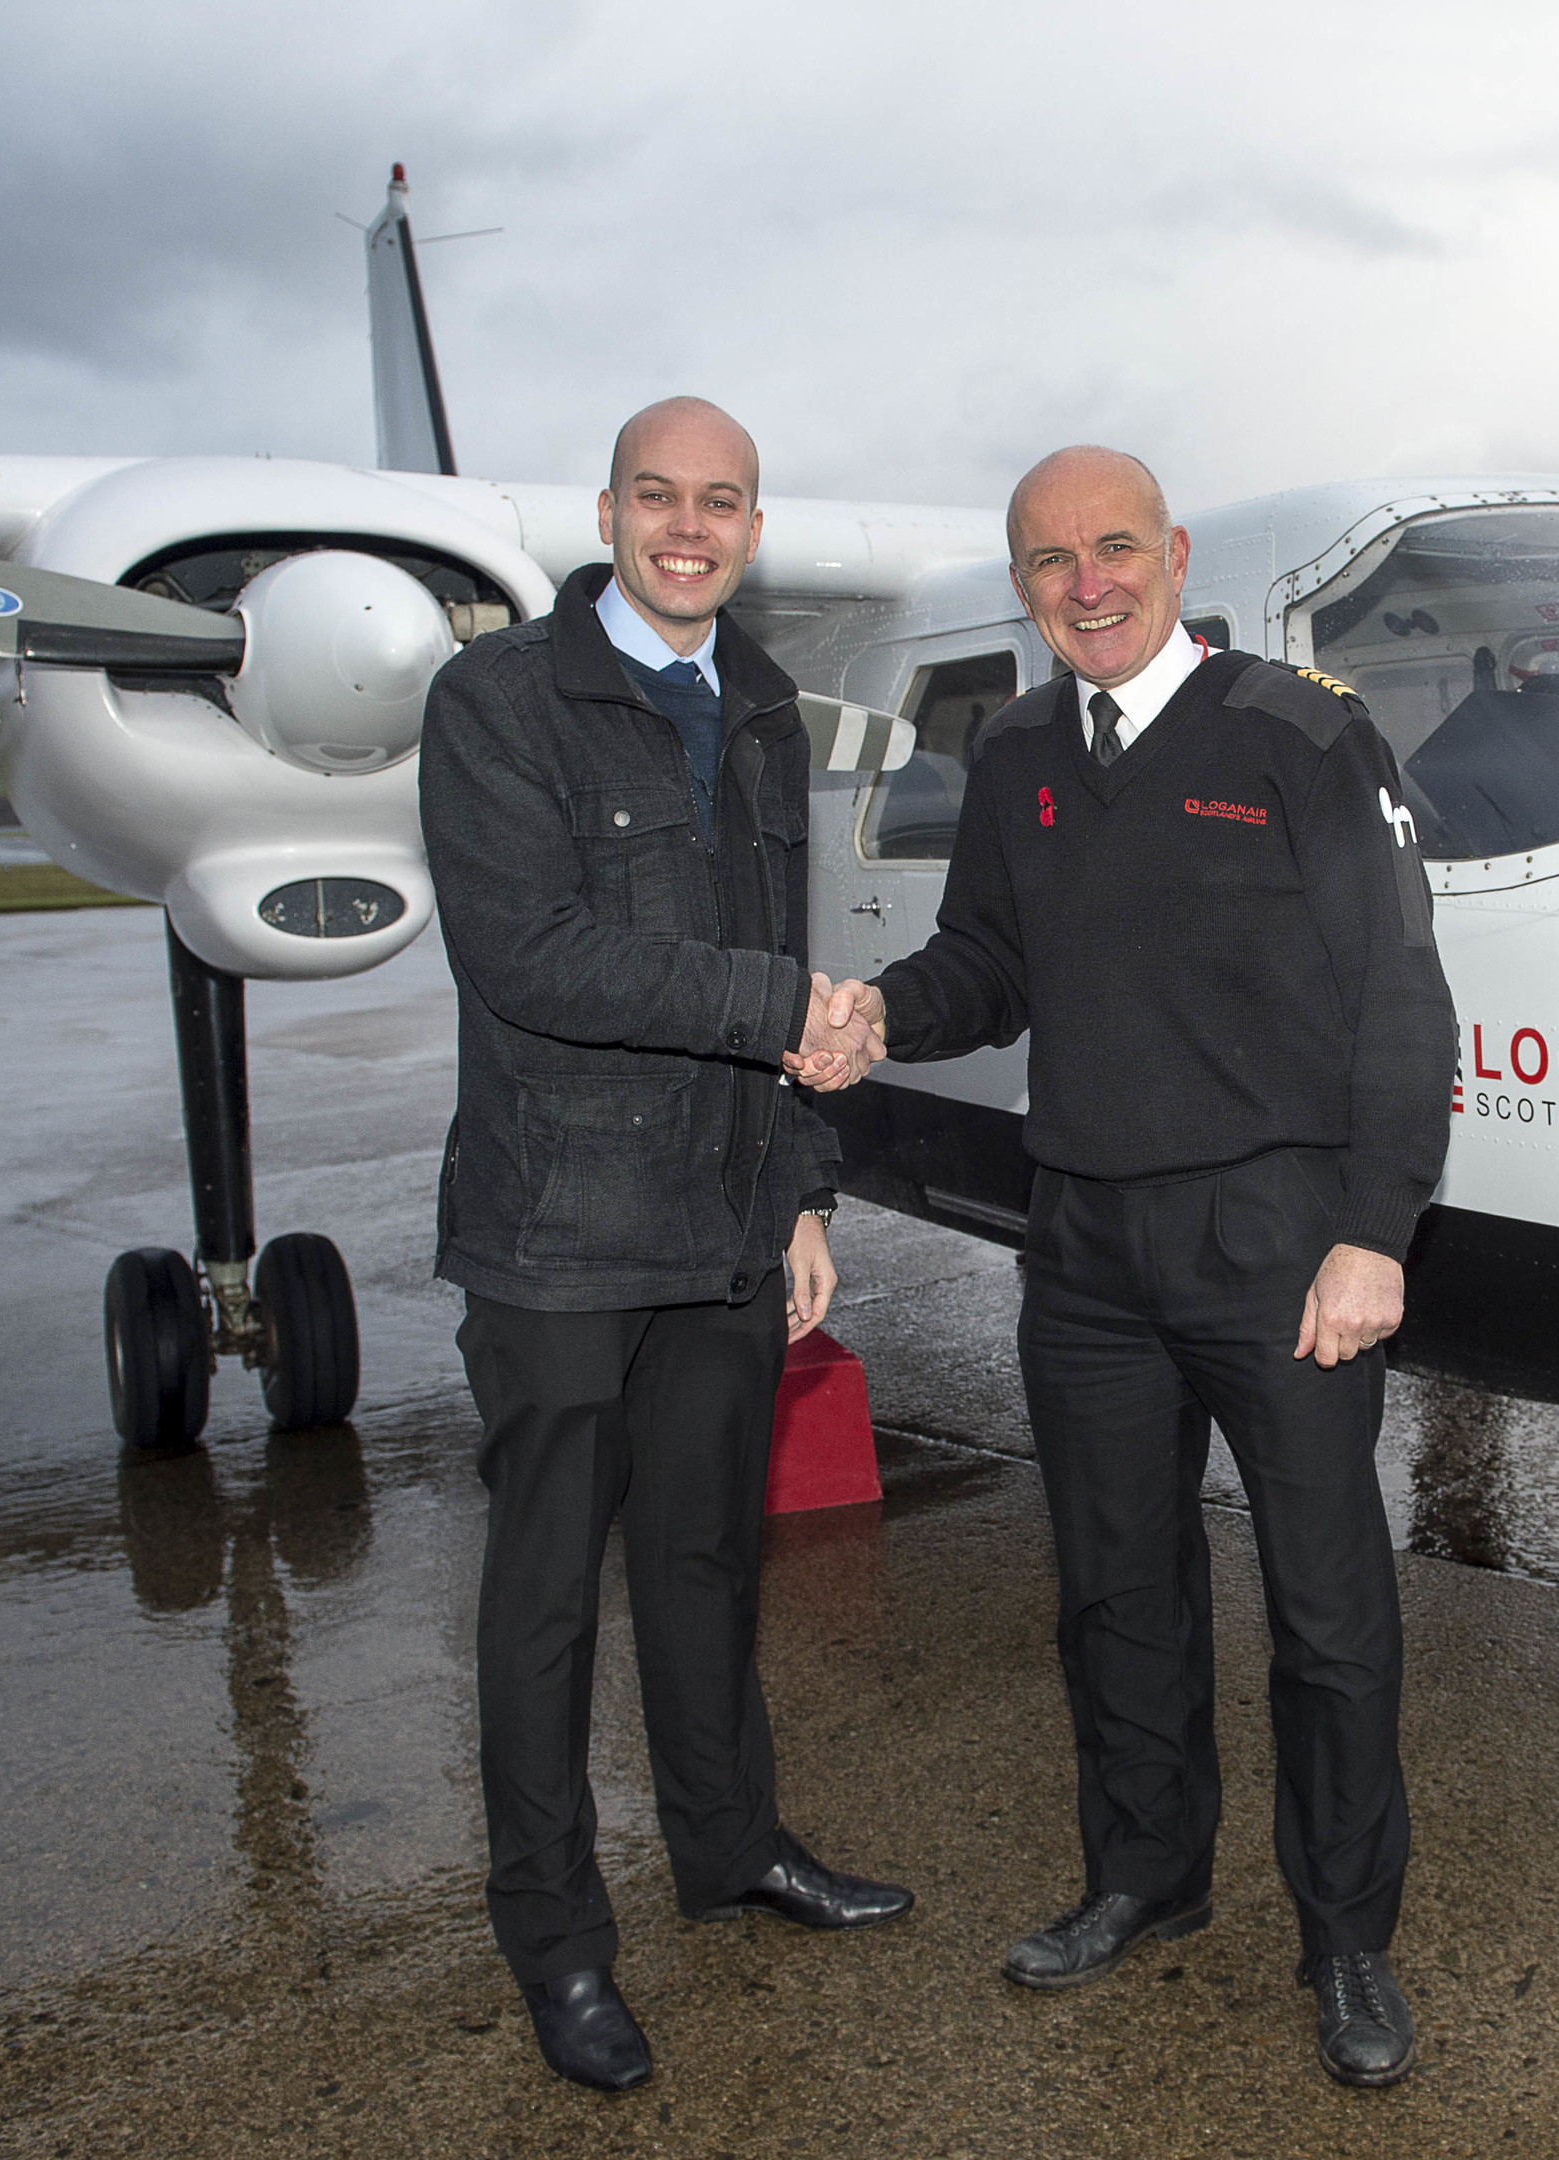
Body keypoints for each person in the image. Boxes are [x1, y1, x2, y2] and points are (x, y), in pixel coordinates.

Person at [820, 446, 1455, 2087]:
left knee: (1325, 1612)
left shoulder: (1302, 733)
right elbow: (990, 963)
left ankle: (1345, 1941)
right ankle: (1144, 1881)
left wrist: (1372, 1232)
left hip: (1273, 1238)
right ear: (1021, 583)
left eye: (1113, 550)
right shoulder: (1020, 744)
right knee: (1116, 1594)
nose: (1085, 585)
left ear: (1173, 557)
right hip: (1086, 1242)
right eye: (1049, 562)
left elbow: (1398, 993)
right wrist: (888, 1009)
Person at [419, 395, 907, 2095]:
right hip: (556, 1231)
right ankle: (555, 1942)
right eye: (657, 498)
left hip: (718, 1226)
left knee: (705, 1565)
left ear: (751, 530)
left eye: (721, 504)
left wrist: (803, 1191)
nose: (687, 529)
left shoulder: (762, 709)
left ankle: (732, 1849)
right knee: (546, 1605)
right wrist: (786, 1015)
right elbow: (530, 955)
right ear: (610, 511)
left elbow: (785, 932)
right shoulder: (497, 702)